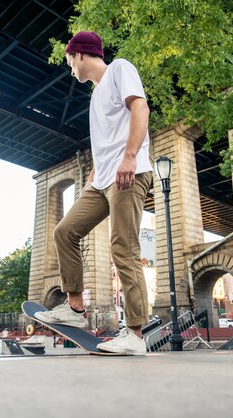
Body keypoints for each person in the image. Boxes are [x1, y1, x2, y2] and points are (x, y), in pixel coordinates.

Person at [35, 31, 153, 355]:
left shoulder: (119, 70)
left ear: (81, 55)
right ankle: (75, 309)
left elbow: (140, 108)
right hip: (102, 180)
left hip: (129, 174)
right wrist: (93, 175)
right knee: (65, 232)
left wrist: (129, 157)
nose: (69, 67)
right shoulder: (95, 96)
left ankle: (135, 335)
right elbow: (104, 144)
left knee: (123, 248)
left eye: (69, 60)